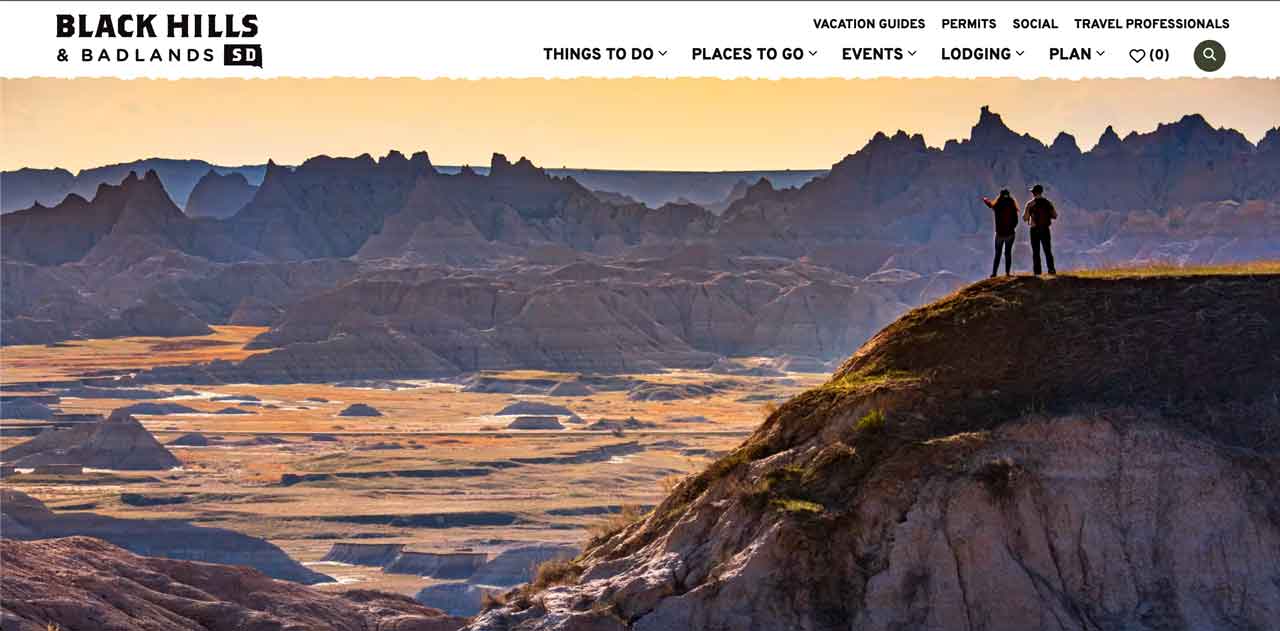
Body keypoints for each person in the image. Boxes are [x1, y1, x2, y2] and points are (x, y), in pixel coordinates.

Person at [981, 189, 1019, 277]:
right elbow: (1016, 221)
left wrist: (985, 199)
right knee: (1008, 253)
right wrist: (1011, 228)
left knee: (998, 254)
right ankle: (1007, 273)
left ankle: (994, 273)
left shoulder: (997, 205)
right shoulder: (1012, 206)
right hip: (1010, 234)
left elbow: (990, 205)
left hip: (1000, 234)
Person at [1023, 184, 1057, 275]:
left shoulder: (1030, 204)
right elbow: (1055, 216)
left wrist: (1029, 216)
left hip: (1034, 230)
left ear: (1033, 193)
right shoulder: (1048, 203)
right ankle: (1051, 270)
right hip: (1045, 229)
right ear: (1041, 192)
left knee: (1036, 251)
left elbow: (1025, 218)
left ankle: (1037, 272)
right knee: (1047, 250)